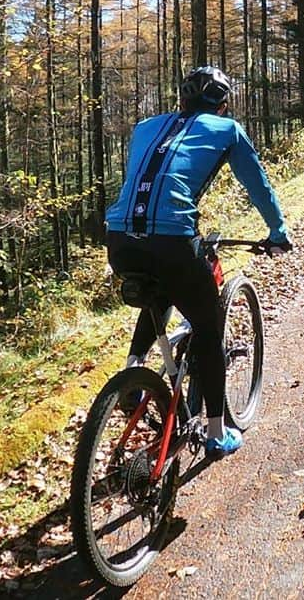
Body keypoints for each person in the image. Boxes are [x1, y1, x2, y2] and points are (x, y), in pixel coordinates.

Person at [104, 65, 291, 458]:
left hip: (119, 238)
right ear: (222, 105)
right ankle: (216, 433)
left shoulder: (145, 128)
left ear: (181, 99)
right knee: (208, 326)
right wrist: (277, 232)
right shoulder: (227, 130)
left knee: (162, 284)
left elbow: (150, 183)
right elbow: (257, 185)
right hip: (173, 239)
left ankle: (132, 370)